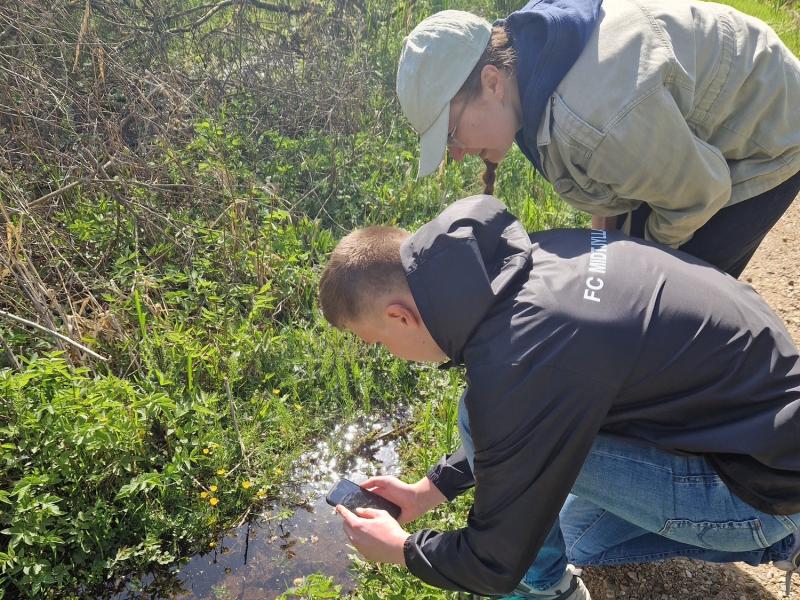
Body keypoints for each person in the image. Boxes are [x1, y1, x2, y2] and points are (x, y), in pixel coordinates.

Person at [318, 194, 800, 599]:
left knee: (521, 527)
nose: (395, 355)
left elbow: (495, 560)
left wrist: (402, 549)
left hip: (761, 488)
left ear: (400, 316)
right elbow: (535, 413)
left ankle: (553, 592)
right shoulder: (529, 261)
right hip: (760, 429)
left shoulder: (521, 356)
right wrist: (429, 491)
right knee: (574, 538)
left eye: (379, 342)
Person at [395, 0, 800, 277]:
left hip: (767, 127)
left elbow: (700, 195)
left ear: (491, 82)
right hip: (686, 120)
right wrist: (609, 249)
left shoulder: (591, 122)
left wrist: (641, 267)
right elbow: (614, 180)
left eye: (452, 135)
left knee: (683, 303)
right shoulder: (531, 54)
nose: (460, 154)